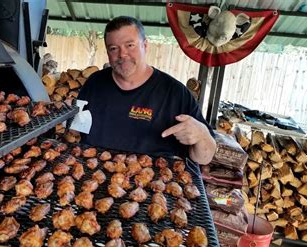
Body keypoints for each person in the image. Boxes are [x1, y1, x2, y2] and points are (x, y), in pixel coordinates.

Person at [77, 16, 216, 165]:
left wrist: (201, 135)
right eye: (113, 48)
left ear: (145, 45)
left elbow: (205, 158)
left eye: (130, 45)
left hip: (155, 184)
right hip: (92, 179)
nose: (122, 54)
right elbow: (75, 132)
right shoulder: (94, 83)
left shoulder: (175, 93)